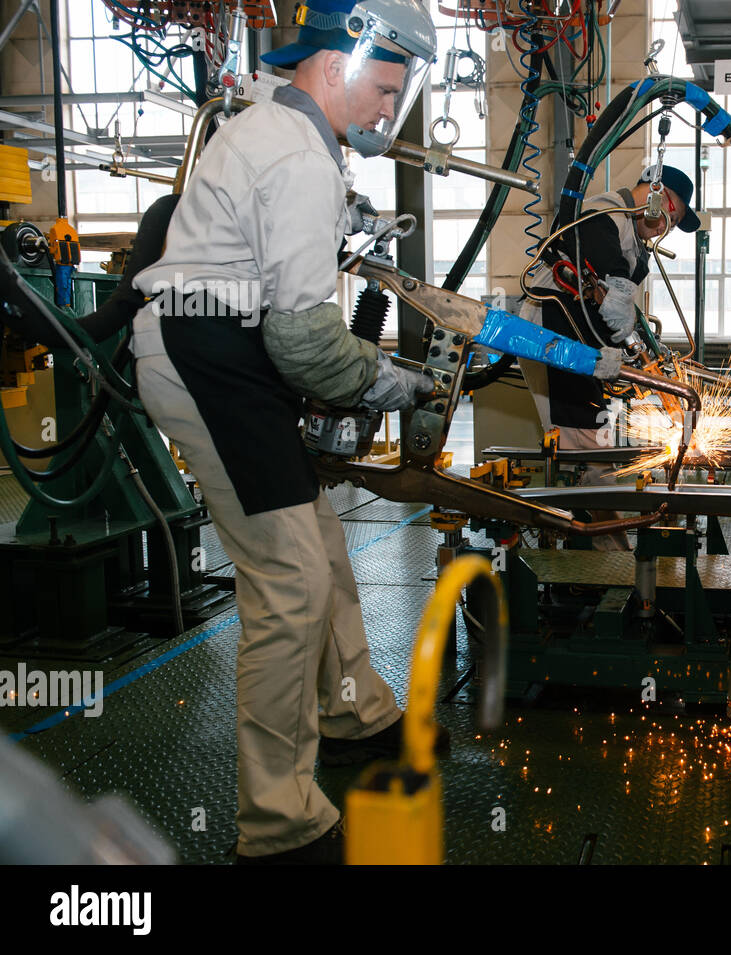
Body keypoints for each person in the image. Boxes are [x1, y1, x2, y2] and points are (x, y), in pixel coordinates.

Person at [129, 0, 438, 865]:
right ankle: (276, 823)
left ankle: (349, 709)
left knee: (322, 543)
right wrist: (392, 383)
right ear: (337, 65)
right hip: (207, 358)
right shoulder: (299, 155)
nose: (386, 111)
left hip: (229, 349)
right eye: (383, 89)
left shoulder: (286, 135)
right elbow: (305, 339)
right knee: (290, 582)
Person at [519, 165, 700, 549]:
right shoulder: (604, 213)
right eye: (672, 212)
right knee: (589, 449)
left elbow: (618, 307)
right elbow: (601, 253)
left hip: (580, 346)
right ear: (655, 193)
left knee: (595, 441)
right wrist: (617, 287)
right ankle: (615, 559)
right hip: (552, 336)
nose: (665, 224)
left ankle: (596, 538)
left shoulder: (634, 241)